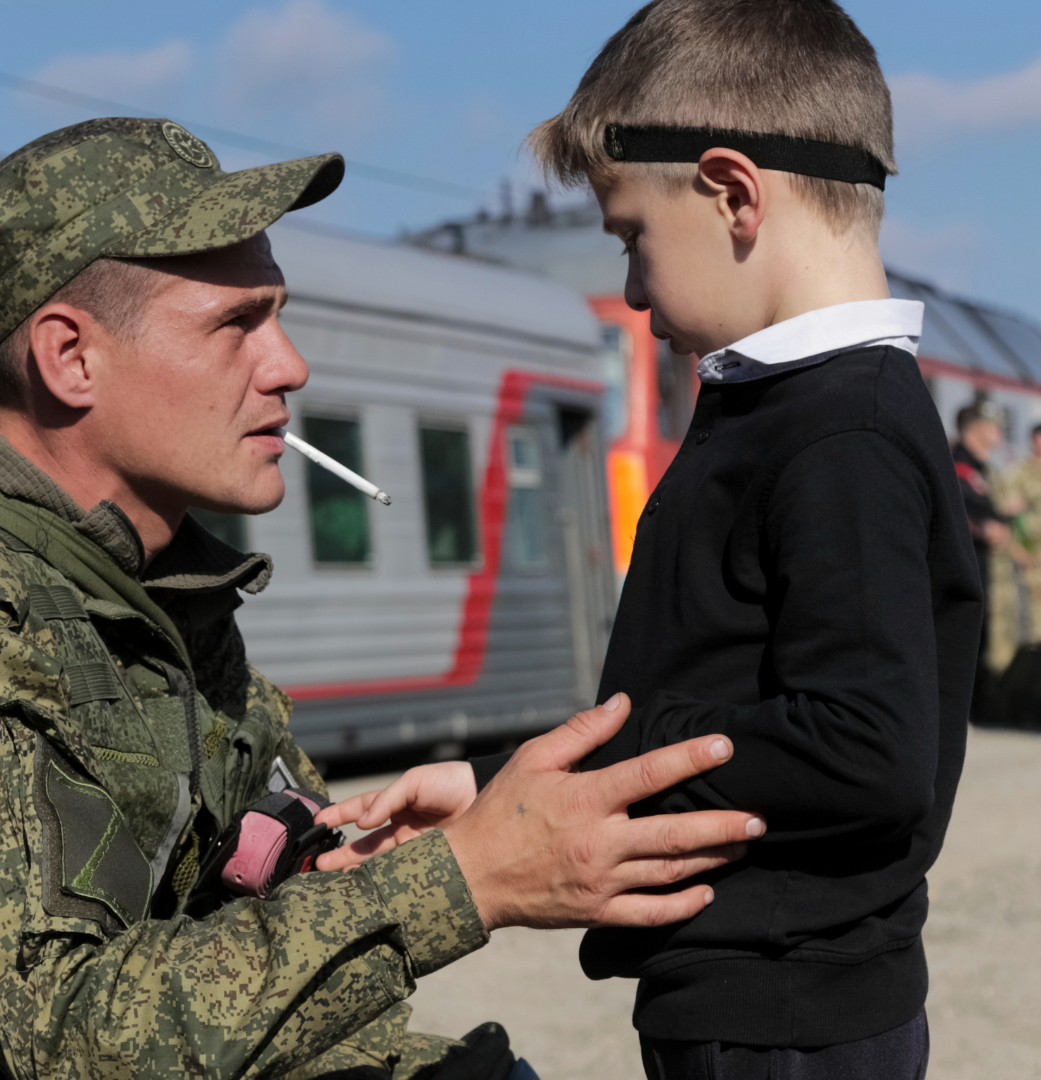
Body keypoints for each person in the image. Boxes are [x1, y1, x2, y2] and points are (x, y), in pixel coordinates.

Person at [0, 118, 766, 1080]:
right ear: (72, 360)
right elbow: (68, 1032)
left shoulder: (133, 579)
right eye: (236, 325)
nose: (289, 365)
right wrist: (463, 879)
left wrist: (328, 860)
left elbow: (231, 847)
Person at [318, 3, 979, 1077]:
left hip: (780, 1016)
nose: (629, 290)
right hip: (759, 1000)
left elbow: (867, 747)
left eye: (631, 235)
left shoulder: (838, 429)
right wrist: (498, 782)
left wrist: (594, 770)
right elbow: (739, 697)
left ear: (730, 193)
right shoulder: (796, 413)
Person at [991, 422, 1041, 722]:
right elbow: (1008, 516)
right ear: (1037, 439)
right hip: (1034, 566)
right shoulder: (1019, 474)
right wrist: (1020, 552)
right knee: (1035, 636)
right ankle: (1018, 703)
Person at [953, 401, 1012, 713]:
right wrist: (984, 530)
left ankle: (980, 704)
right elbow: (956, 514)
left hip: (985, 565)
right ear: (975, 428)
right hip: (965, 564)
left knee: (983, 635)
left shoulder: (983, 469)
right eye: (992, 428)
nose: (997, 435)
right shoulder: (956, 463)